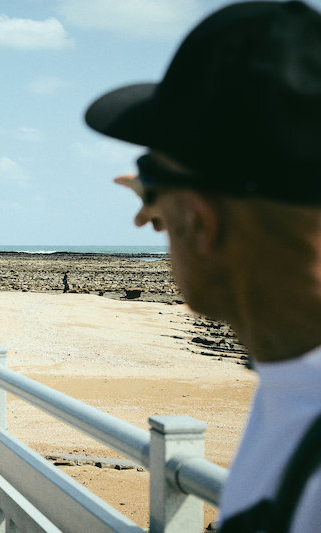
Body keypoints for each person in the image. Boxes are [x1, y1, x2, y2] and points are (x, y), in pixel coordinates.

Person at [84, 2, 321, 531]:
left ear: (201, 221)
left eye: (153, 185)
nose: (145, 216)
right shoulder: (292, 377)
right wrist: (166, 188)